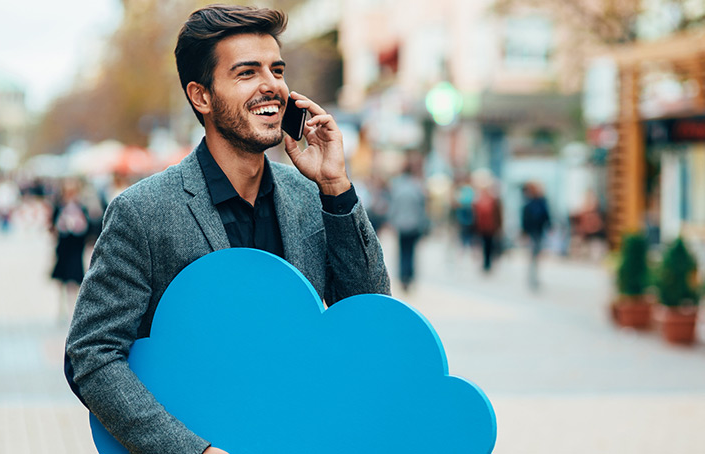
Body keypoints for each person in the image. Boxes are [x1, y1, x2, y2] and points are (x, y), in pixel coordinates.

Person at [64, 6, 390, 454]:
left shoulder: (312, 195)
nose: (271, 84)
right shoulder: (143, 212)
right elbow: (91, 355)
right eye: (246, 72)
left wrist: (336, 186)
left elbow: (371, 317)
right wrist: (191, 450)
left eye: (277, 69)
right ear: (201, 96)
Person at [50, 178, 90, 320]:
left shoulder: (82, 207)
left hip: (75, 248)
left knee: (76, 280)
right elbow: (52, 226)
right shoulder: (59, 207)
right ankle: (61, 309)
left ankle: (74, 309)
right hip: (64, 248)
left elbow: (88, 227)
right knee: (62, 280)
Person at [387, 159, 428, 292]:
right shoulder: (417, 187)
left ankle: (403, 277)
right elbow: (422, 208)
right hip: (414, 225)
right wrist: (423, 224)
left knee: (402, 252)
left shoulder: (397, 186)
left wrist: (391, 221)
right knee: (411, 252)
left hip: (401, 225)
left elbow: (393, 207)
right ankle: (409, 277)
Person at [521, 182, 550, 290]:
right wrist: (524, 233)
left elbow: (546, 217)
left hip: (539, 232)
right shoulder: (529, 203)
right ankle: (531, 277)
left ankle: (534, 277)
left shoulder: (541, 202)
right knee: (533, 255)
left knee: (536, 255)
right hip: (532, 233)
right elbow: (525, 220)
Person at [472, 183, 502, 273]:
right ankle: (487, 263)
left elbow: (475, 216)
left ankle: (486, 263)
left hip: (484, 227)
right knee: (488, 245)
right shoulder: (492, 200)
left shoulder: (479, 201)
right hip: (489, 227)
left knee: (486, 246)